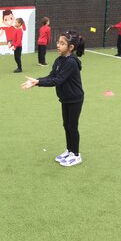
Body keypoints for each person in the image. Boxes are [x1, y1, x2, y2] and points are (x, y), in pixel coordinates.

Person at [21, 31, 85, 167]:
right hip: (65, 98)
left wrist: (38, 83)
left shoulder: (71, 63)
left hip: (75, 99)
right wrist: (36, 81)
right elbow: (51, 76)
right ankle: (69, 150)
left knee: (72, 127)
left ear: (71, 47)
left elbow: (57, 80)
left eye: (62, 43)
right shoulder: (59, 60)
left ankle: (76, 154)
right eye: (58, 42)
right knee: (66, 125)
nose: (58, 45)